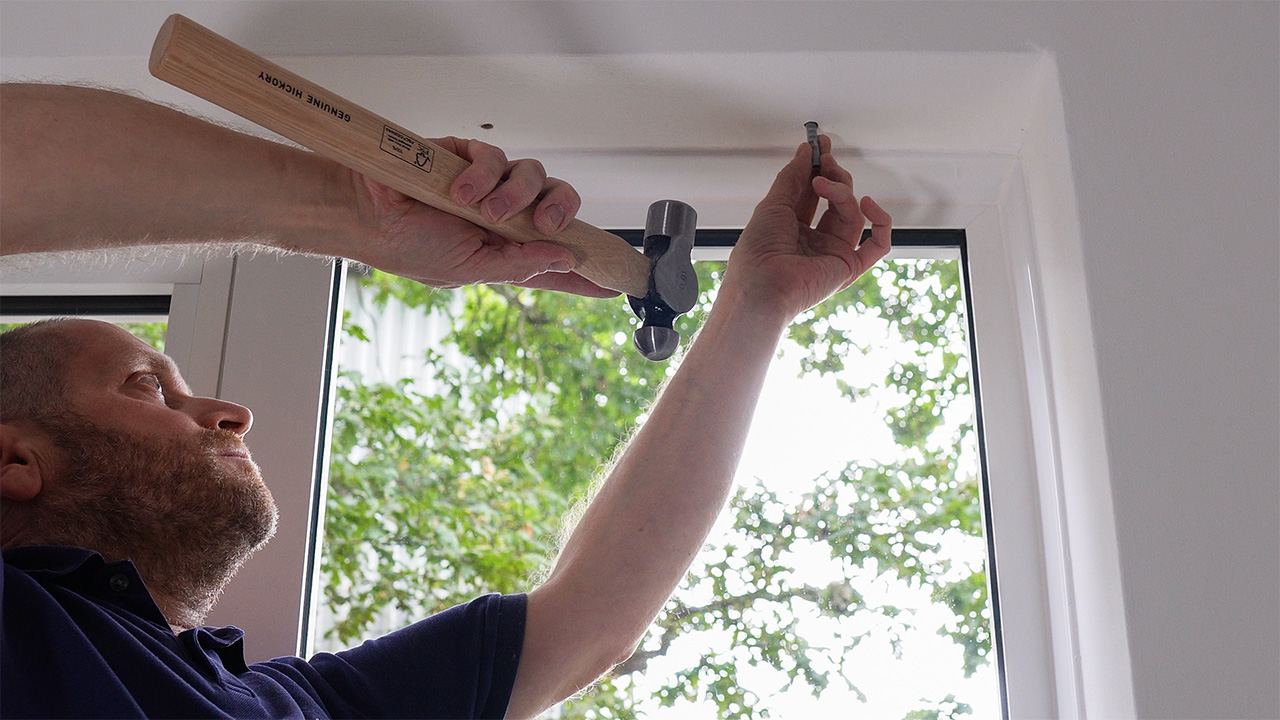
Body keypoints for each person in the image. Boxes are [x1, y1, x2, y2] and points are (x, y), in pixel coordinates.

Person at [0, 83, 891, 719]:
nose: (230, 413)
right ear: (12, 461)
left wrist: (758, 301)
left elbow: (582, 624)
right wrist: (349, 210)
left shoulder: (284, 705)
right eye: (149, 385)